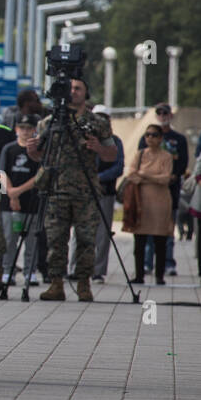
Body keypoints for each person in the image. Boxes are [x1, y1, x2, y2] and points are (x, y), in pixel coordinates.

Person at [28, 77, 118, 302]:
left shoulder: (97, 123)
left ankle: (84, 283)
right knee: (55, 239)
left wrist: (98, 147)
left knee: (87, 239)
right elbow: (41, 156)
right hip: (56, 188)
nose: (74, 92)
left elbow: (112, 155)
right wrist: (32, 152)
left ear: (86, 93)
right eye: (71, 88)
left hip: (86, 190)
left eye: (79, 88)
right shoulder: (49, 123)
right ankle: (56, 283)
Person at [139, 103, 187, 276]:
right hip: (149, 191)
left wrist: (173, 176)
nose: (162, 115)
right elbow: (139, 161)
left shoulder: (178, 139)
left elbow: (182, 163)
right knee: (148, 229)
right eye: (158, 112)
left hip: (169, 190)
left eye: (165, 112)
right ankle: (147, 263)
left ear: (170, 115)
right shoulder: (146, 137)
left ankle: (168, 262)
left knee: (167, 228)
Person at [124, 123, 174, 285]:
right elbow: (131, 174)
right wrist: (151, 178)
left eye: (153, 135)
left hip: (160, 203)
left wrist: (145, 175)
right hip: (141, 202)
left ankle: (159, 275)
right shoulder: (139, 155)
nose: (150, 138)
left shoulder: (166, 156)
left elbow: (166, 178)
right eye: (147, 135)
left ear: (160, 138)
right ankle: (139, 275)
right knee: (139, 241)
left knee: (160, 240)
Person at [0, 115, 42, 285]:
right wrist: (11, 193)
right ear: (16, 129)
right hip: (9, 204)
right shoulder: (8, 149)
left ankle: (29, 272)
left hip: (31, 202)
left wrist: (18, 191)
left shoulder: (36, 152)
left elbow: (39, 175)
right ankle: (7, 271)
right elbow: (1, 172)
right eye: (21, 128)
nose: (25, 131)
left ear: (34, 130)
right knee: (9, 239)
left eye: (28, 128)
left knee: (31, 240)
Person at [90, 106, 123, 282]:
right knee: (80, 231)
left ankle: (98, 270)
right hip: (85, 191)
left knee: (103, 232)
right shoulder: (85, 139)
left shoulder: (115, 141)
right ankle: (74, 268)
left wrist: (97, 178)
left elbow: (118, 167)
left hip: (105, 191)